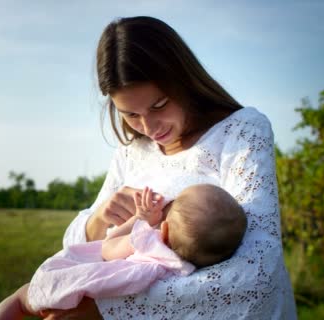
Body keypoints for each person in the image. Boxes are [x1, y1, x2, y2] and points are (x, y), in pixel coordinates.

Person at [49, 16, 297, 319]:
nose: (148, 126)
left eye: (158, 105)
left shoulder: (241, 133)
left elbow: (257, 269)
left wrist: (107, 310)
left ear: (183, 81)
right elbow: (75, 249)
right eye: (130, 114)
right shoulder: (132, 151)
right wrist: (100, 218)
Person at [0, 184, 247, 320]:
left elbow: (109, 245)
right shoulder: (185, 269)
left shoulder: (149, 242)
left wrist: (141, 220)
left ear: (165, 231)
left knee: (21, 297)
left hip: (78, 290)